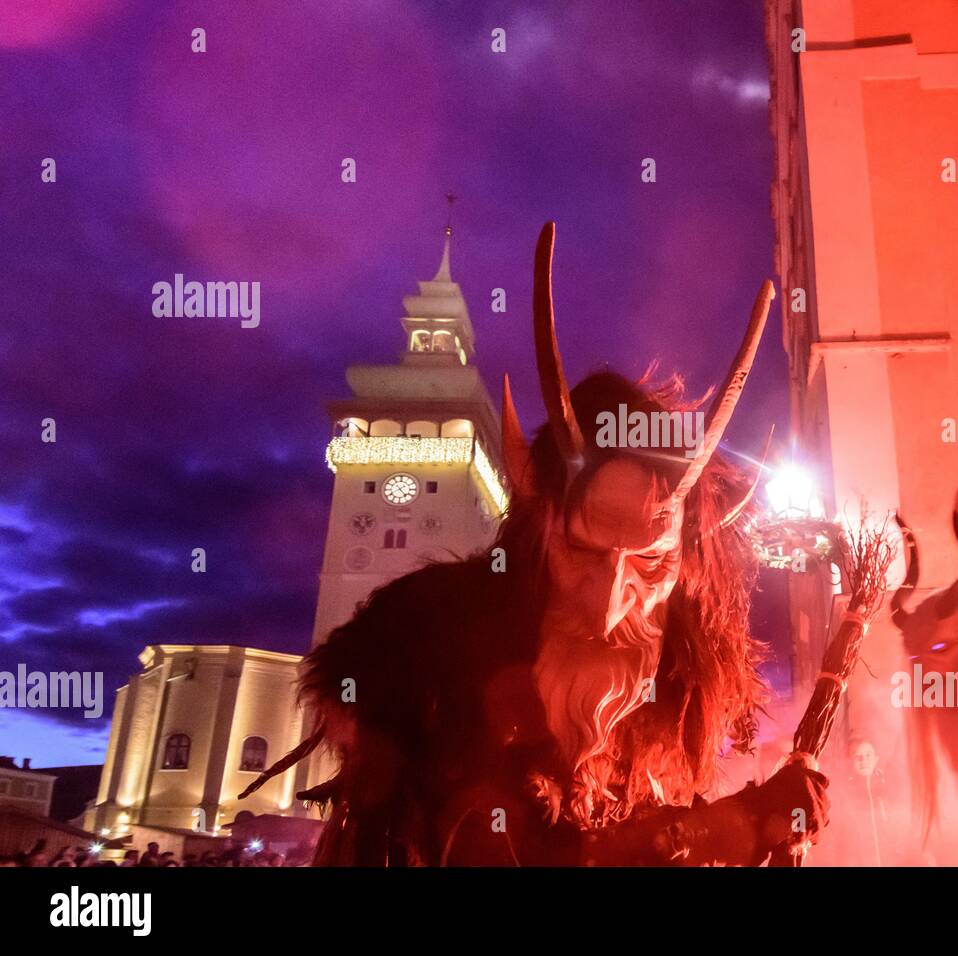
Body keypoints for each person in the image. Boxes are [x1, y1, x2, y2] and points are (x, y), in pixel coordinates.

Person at [240, 223, 828, 866]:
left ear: (685, 563)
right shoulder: (434, 680)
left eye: (650, 562)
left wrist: (761, 834)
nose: (608, 606)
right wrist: (709, 831)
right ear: (538, 535)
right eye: (582, 551)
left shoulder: (675, 697)